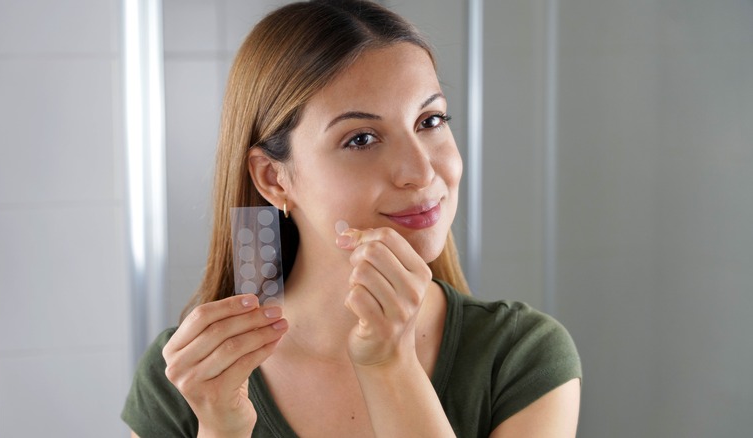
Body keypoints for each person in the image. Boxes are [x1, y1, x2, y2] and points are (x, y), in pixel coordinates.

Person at [121, 0, 582, 436]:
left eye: (430, 121)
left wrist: (390, 366)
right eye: (361, 139)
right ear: (274, 179)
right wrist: (221, 430)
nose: (421, 172)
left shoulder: (522, 357)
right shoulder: (189, 378)